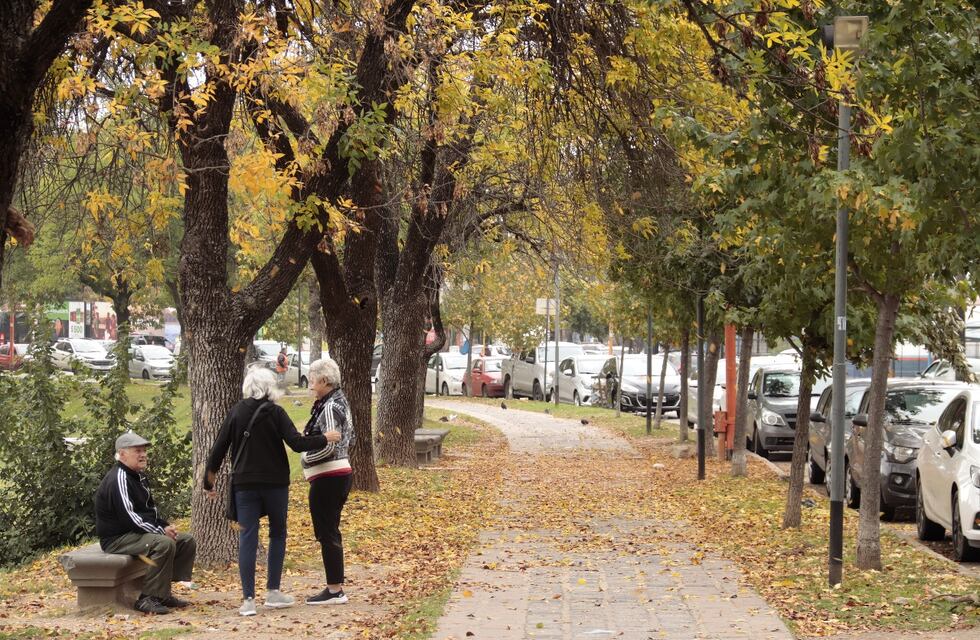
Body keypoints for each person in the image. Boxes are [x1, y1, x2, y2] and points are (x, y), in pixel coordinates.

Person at [204, 367, 330, 617]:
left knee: (247, 538)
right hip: (275, 484)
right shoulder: (276, 412)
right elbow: (296, 443)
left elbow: (218, 449)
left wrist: (209, 483)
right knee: (278, 534)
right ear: (270, 387)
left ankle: (248, 600)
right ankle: (273, 591)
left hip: (245, 485)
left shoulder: (237, 412)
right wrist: (325, 438)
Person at [95, 431, 197, 615]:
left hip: (136, 533)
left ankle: (163, 592)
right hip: (118, 538)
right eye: (137, 451)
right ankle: (147, 599)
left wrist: (165, 526)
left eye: (144, 451)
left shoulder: (138, 476)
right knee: (164, 543)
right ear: (122, 454)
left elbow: (150, 510)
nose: (143, 455)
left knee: (186, 540)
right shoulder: (119, 478)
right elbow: (130, 516)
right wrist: (160, 532)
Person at [302, 357, 355, 605]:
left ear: (324, 380)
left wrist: (306, 458)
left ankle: (334, 590)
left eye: (313, 380)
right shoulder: (336, 402)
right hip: (334, 476)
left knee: (327, 531)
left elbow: (330, 445)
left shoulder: (332, 406)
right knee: (329, 530)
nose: (310, 385)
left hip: (330, 477)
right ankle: (335, 587)